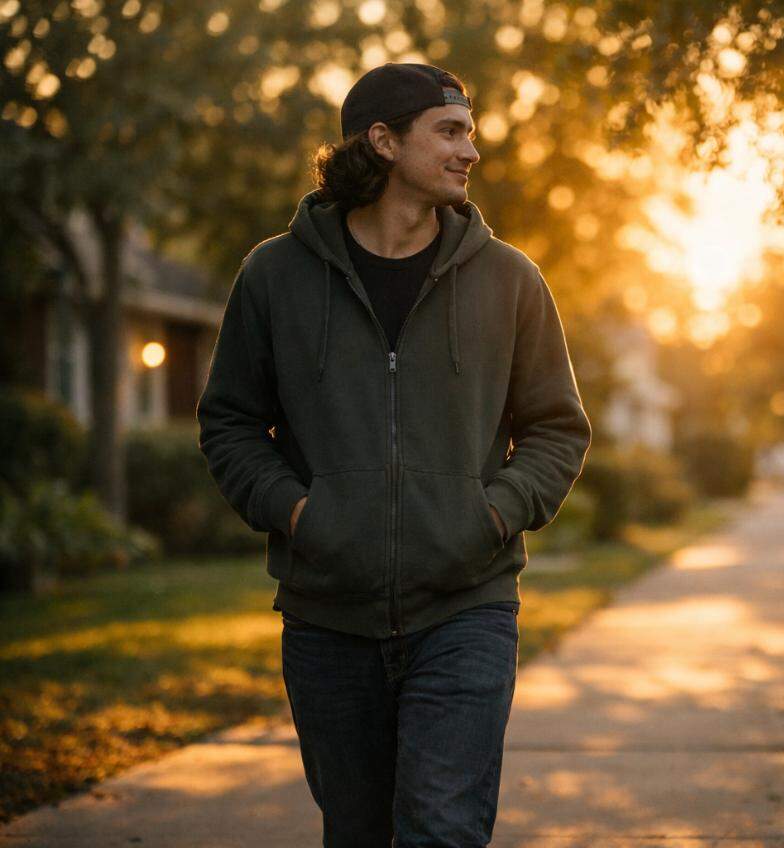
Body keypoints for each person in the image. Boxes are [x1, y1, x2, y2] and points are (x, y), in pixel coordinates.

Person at [196, 62, 591, 847]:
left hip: (466, 606)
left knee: (441, 828)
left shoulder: (509, 280)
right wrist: (301, 513)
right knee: (357, 832)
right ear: (382, 142)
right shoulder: (275, 275)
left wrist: (489, 513)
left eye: (469, 134)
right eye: (449, 132)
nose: (470, 152)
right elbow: (231, 423)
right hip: (326, 615)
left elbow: (556, 427)